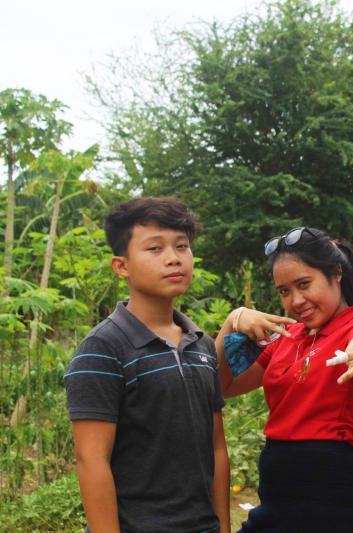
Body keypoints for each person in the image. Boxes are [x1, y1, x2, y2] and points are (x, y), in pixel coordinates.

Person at [65, 197, 230, 532]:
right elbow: (91, 460)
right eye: (155, 248)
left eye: (181, 246)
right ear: (121, 266)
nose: (174, 258)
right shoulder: (102, 349)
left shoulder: (201, 345)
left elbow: (216, 447)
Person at [215, 227, 353, 533]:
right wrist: (232, 321)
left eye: (304, 284)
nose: (296, 300)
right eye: (284, 291)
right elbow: (222, 386)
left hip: (326, 500)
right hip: (276, 498)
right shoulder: (286, 336)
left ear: (336, 274)